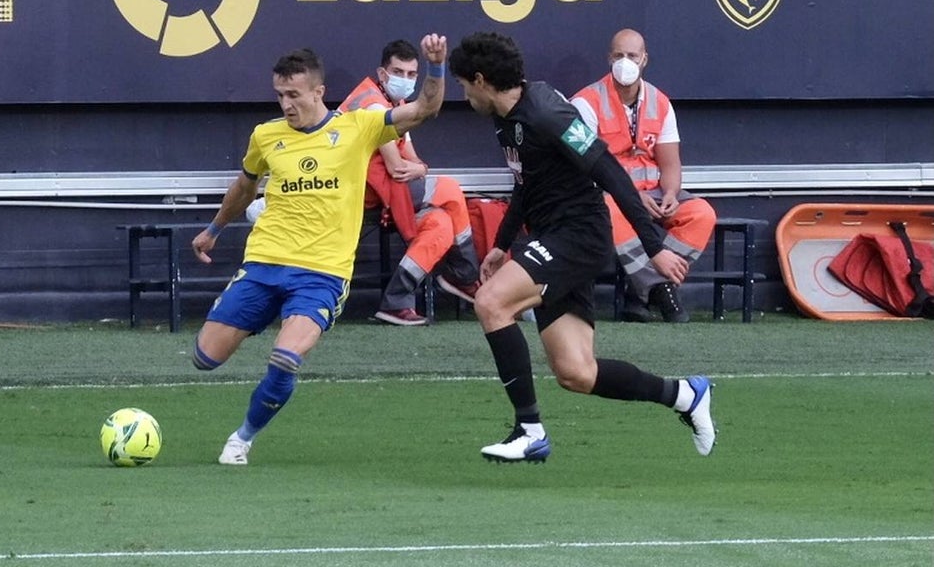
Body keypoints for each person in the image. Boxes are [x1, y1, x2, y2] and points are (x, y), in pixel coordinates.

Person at [447, 31, 716, 463]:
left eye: (462, 85)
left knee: (491, 303)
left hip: (579, 236)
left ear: (480, 79)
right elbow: (526, 184)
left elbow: (610, 171)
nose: (463, 95)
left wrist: (654, 246)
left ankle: (529, 431)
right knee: (576, 372)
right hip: (552, 236)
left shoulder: (547, 113)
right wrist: (501, 244)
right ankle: (685, 395)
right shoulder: (506, 118)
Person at [190, 36, 448, 466]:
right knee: (204, 359)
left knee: (287, 357)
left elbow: (425, 108)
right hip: (264, 264)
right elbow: (244, 186)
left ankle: (242, 439)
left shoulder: (358, 127)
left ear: (318, 92)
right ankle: (260, 315)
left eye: (293, 95)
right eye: (280, 95)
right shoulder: (266, 136)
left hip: (322, 274)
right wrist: (214, 230)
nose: (286, 104)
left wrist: (436, 66)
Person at [571, 28, 717, 323]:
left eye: (632, 56)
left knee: (702, 213)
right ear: (609, 59)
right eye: (618, 56)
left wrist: (672, 194)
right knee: (609, 208)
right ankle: (659, 289)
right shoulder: (585, 102)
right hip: (612, 194)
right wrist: (632, 196)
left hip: (654, 194)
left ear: (644, 60)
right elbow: (584, 167)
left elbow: (670, 164)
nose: (625, 62)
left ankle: (639, 293)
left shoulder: (660, 102)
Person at [337, 39, 481, 326]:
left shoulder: (397, 102)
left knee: (440, 223)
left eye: (411, 74)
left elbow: (415, 162)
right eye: (398, 72)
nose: (405, 79)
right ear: (382, 73)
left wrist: (420, 168)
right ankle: (465, 277)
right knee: (450, 189)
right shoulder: (372, 104)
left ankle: (395, 303)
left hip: (383, 193)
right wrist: (419, 169)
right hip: (353, 194)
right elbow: (398, 167)